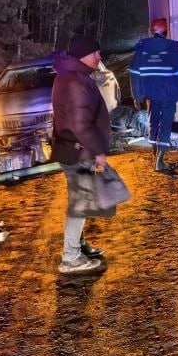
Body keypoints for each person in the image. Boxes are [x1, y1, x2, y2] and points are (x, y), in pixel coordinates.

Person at [51, 35, 111, 274]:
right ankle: (70, 257)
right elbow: (80, 123)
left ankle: (79, 245)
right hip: (77, 151)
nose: (99, 57)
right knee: (80, 204)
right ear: (85, 54)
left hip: (72, 149)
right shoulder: (75, 81)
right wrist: (97, 151)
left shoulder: (72, 76)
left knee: (81, 201)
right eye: (96, 52)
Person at [129, 18, 178, 172]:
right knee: (166, 124)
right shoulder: (171, 48)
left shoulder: (142, 49)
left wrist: (137, 95)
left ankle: (154, 154)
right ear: (166, 31)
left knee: (153, 122)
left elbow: (135, 73)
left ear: (151, 31)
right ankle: (160, 161)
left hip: (151, 94)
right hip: (169, 94)